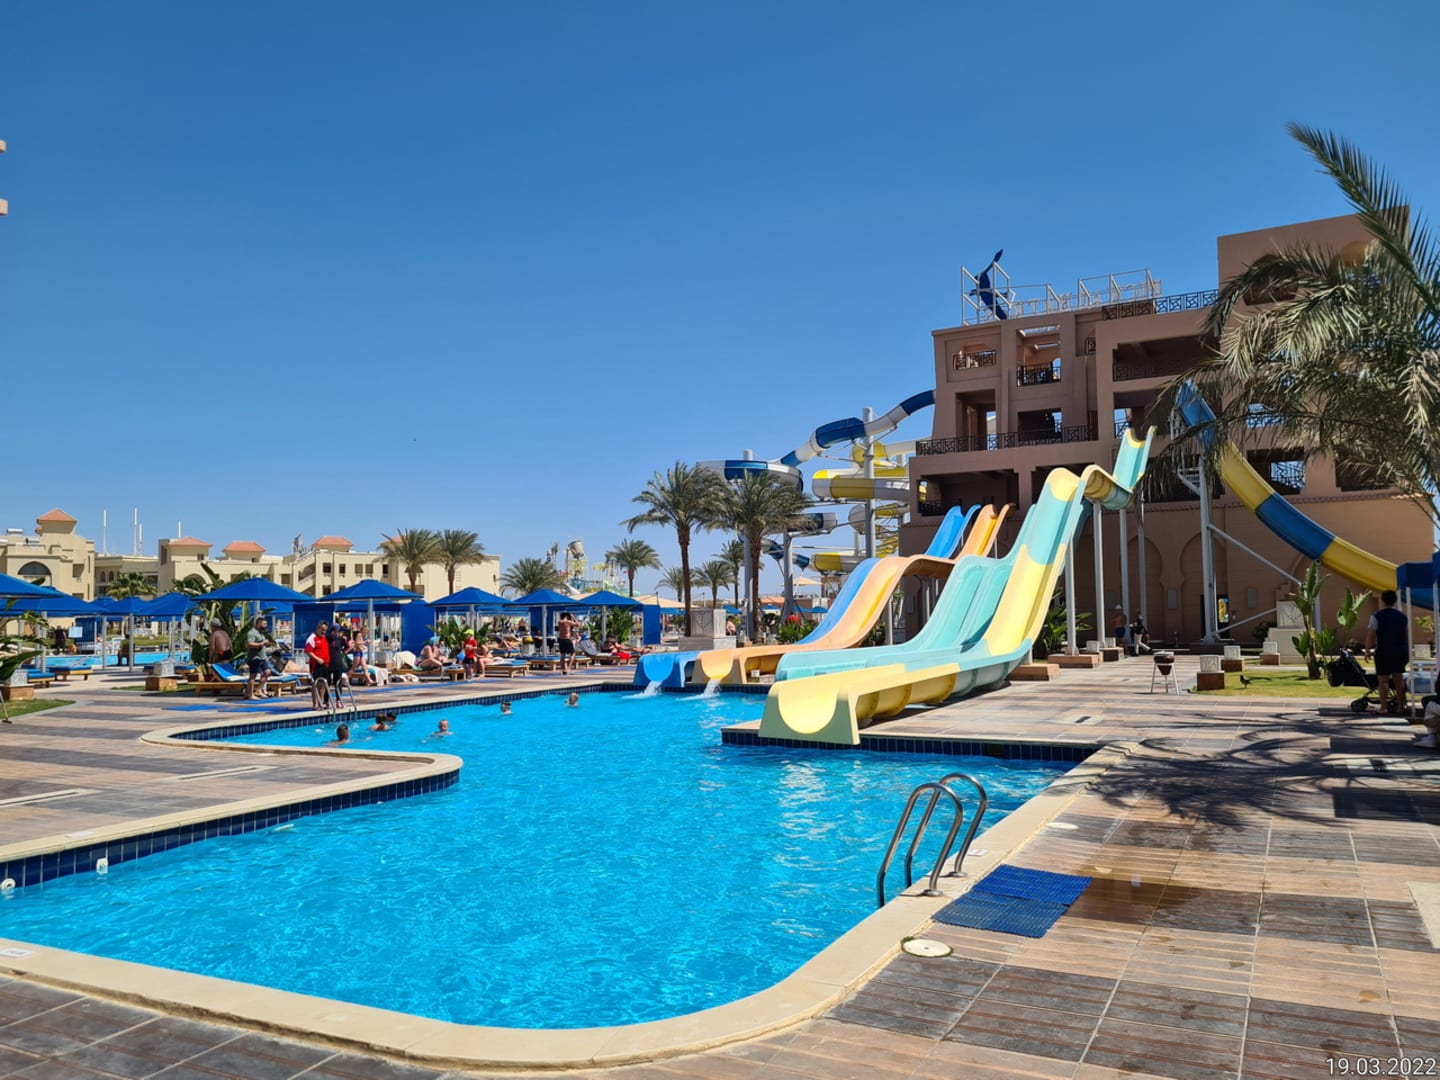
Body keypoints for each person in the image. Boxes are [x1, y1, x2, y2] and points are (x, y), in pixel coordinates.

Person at [1365, 589, 1410, 716]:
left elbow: (1371, 634)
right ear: (1395, 601)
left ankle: (1383, 707)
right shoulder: (1402, 616)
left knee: (1383, 680)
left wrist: (1367, 650)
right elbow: (1405, 634)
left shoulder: (1377, 616)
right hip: (1400, 651)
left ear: (1383, 600)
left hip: (1384, 652)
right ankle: (1401, 706)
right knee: (1398, 679)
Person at [244, 616, 273, 699]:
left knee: (267, 672)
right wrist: (262, 643)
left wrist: (266, 643)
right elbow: (249, 644)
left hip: (262, 658)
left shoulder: (260, 633)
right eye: (264, 624)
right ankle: (250, 694)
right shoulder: (252, 633)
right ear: (258, 624)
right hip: (255, 658)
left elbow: (262, 643)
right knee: (253, 676)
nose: (266, 625)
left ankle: (258, 690)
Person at [304, 621, 331, 708]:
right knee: (316, 684)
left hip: (325, 664)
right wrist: (317, 659)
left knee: (323, 684)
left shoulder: (324, 638)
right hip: (316, 665)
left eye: (325, 630)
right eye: (322, 630)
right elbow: (308, 651)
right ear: (318, 628)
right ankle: (315, 704)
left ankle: (321, 702)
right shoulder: (312, 638)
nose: (323, 632)